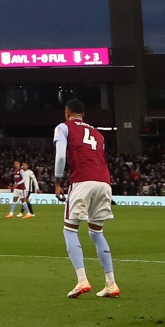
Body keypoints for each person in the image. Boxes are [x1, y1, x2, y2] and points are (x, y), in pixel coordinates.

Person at [54, 99, 119, 298]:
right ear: (83, 114)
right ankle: (111, 283)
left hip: (82, 181)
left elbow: (61, 157)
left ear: (67, 113)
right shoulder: (98, 133)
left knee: (70, 229)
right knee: (96, 233)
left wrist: (57, 181)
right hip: (104, 182)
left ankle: (82, 280)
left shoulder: (63, 127)